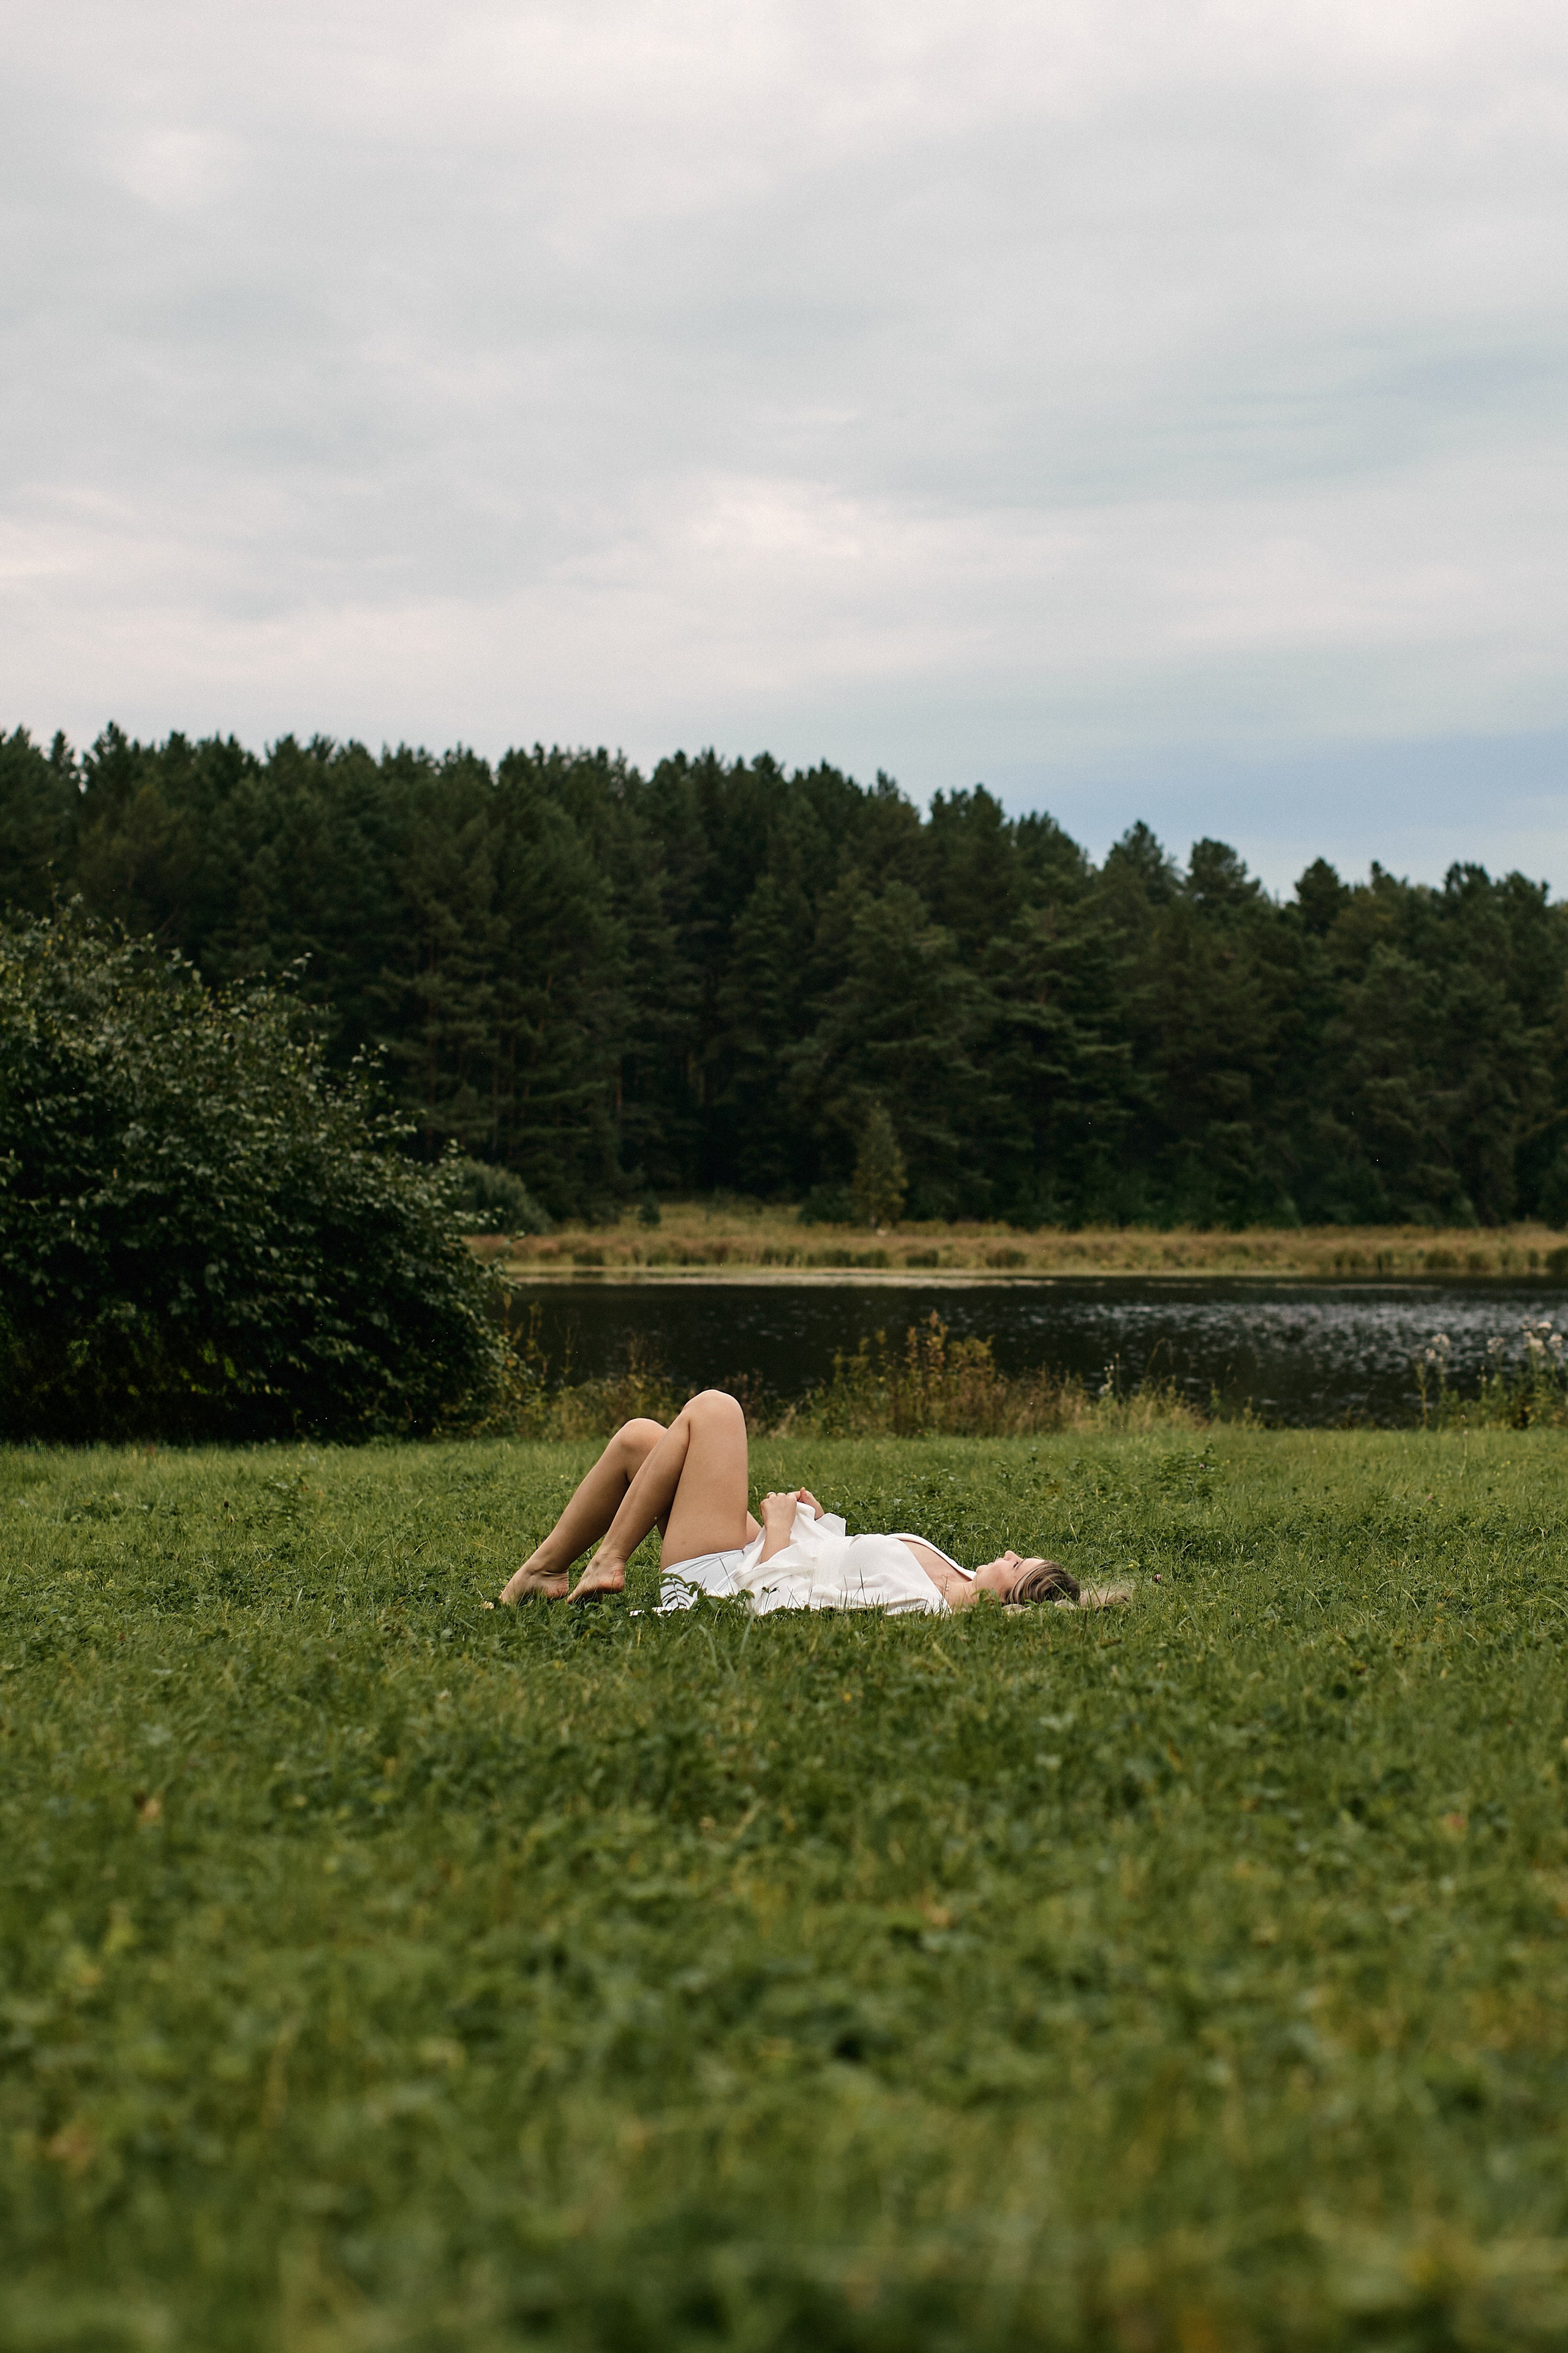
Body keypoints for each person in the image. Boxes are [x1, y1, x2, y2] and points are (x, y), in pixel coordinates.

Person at [497, 1389, 1126, 1614]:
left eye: (1016, 1565)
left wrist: (775, 1528)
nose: (1009, 1552)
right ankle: (540, 1573)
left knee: (716, 1410)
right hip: (749, 1548)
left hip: (722, 1578)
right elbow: (836, 1567)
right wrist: (816, 1523)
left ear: (1008, 1600)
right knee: (641, 1439)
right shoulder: (954, 1573)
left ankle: (608, 1559)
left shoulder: (920, 1603)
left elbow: (774, 1604)